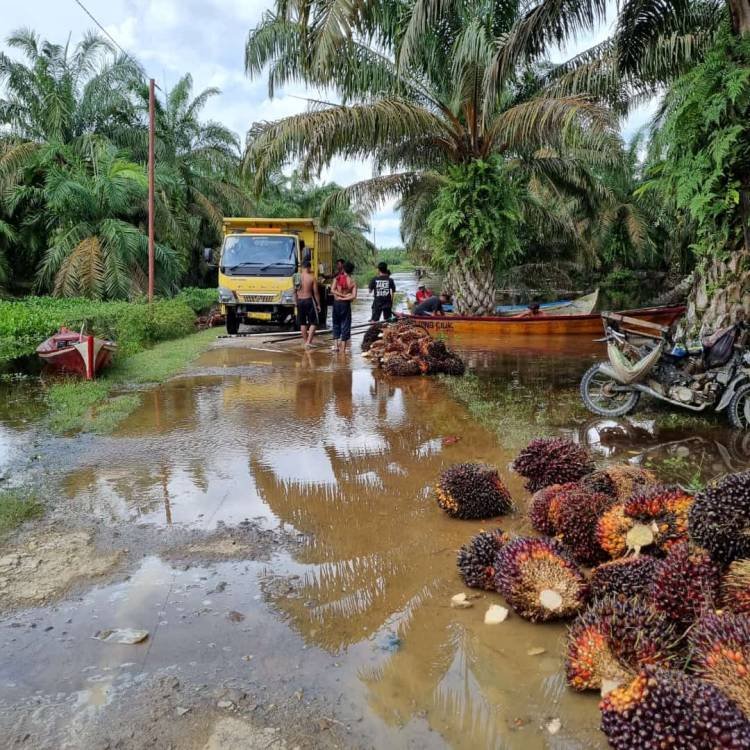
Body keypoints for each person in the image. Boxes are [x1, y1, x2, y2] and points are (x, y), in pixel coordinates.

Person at [332, 261, 357, 352]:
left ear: (343, 268)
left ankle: (335, 346)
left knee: (335, 323)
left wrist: (340, 297)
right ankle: (342, 349)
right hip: (345, 304)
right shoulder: (352, 282)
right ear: (352, 271)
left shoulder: (337, 278)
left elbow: (332, 290)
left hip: (336, 303)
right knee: (345, 325)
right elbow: (353, 296)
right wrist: (344, 297)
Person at [294, 260, 320, 347]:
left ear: (302, 267)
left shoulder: (296, 277)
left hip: (300, 301)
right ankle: (309, 342)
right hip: (309, 300)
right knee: (314, 322)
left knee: (303, 323)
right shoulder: (312, 277)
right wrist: (318, 304)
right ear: (309, 267)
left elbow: (294, 292)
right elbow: (316, 292)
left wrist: (295, 302)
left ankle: (306, 342)